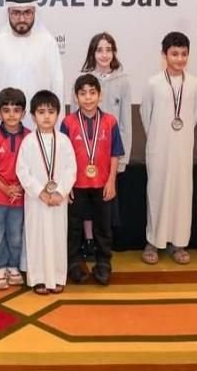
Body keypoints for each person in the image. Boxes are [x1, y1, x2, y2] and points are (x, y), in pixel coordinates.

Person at [139, 31, 197, 266]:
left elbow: (194, 116)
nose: (179, 58)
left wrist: (179, 136)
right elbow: (146, 115)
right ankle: (153, 241)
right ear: (164, 55)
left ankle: (179, 243)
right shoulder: (153, 83)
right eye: (174, 54)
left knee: (182, 194)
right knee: (157, 193)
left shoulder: (195, 84)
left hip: (183, 149)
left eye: (184, 54)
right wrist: (158, 138)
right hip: (159, 148)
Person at [63, 74, 123, 285]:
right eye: (82, 93)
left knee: (103, 227)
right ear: (75, 97)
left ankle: (103, 263)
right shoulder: (68, 122)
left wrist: (111, 181)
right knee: (73, 227)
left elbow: (115, 153)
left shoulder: (110, 122)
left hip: (102, 184)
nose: (88, 98)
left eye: (92, 93)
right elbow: (63, 156)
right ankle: (74, 263)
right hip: (76, 184)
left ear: (100, 95)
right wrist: (66, 184)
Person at [16, 90, 77, 295]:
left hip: (58, 200)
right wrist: (40, 192)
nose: (46, 116)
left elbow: (71, 169)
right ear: (33, 116)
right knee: (36, 237)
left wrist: (60, 192)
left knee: (58, 237)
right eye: (41, 112)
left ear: (58, 114)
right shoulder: (28, 142)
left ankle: (57, 277)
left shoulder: (64, 141)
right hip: (36, 201)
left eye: (51, 112)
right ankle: (38, 278)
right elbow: (22, 171)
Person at [78, 32, 132, 258]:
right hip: (87, 153)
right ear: (93, 53)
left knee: (106, 201)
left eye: (108, 49)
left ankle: (103, 243)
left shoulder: (123, 80)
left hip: (111, 154)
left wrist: (123, 159)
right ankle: (88, 240)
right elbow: (74, 120)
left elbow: (126, 122)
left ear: (114, 53)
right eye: (99, 50)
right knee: (86, 202)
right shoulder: (83, 79)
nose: (104, 54)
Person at [0, 0, 64, 128]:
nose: (22, 18)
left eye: (27, 13)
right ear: (8, 13)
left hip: (40, 126)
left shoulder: (48, 43)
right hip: (5, 127)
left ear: (34, 13)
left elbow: (57, 86)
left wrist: (56, 128)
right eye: (16, 13)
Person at [0, 88, 30, 290]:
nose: (11, 115)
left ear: (23, 113)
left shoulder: (29, 137)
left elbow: (32, 168)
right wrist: (4, 188)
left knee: (15, 233)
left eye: (16, 110)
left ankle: (13, 265)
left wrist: (20, 187)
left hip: (19, 195)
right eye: (6, 110)